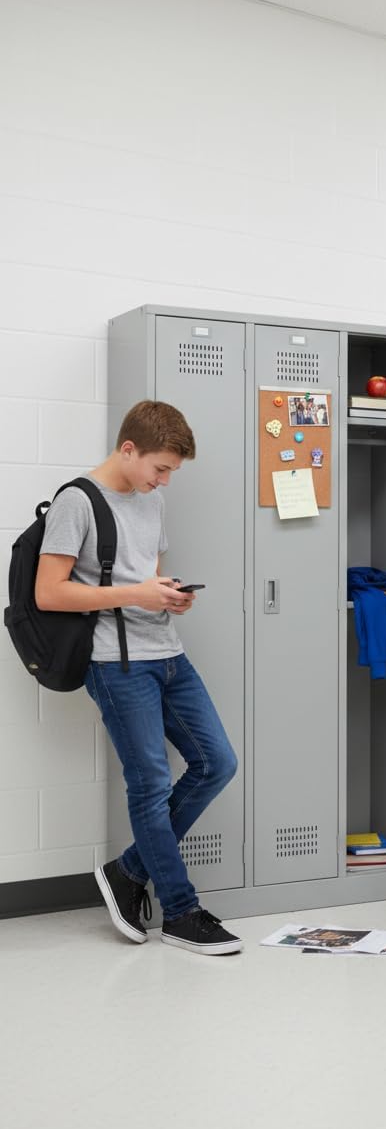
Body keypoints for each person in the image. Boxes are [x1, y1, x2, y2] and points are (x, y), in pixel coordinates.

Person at [35, 401, 242, 955]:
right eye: (160, 468)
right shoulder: (76, 502)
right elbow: (48, 592)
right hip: (114, 664)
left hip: (167, 653)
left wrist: (166, 596)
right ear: (128, 449)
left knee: (217, 762)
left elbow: (144, 575)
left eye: (171, 472)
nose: (164, 480)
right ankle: (181, 910)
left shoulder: (153, 500)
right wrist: (138, 594)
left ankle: (128, 871)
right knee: (149, 783)